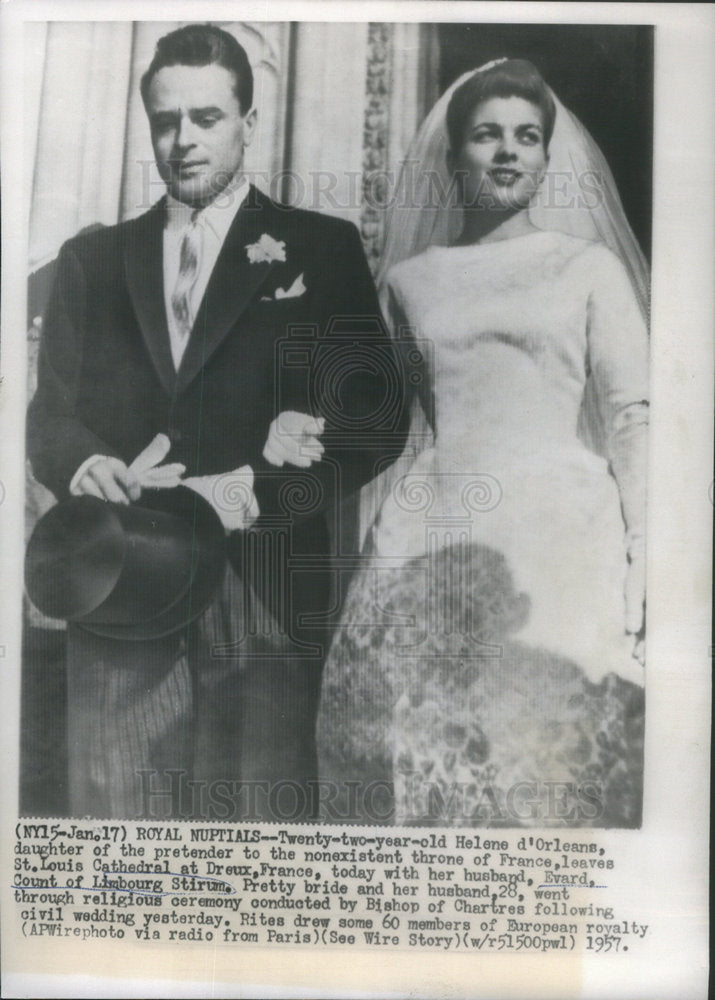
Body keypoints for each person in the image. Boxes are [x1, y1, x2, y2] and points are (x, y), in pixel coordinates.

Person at [26, 24, 409, 821]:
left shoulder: (319, 248)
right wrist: (85, 463)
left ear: (249, 122)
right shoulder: (91, 264)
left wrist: (259, 488)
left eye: (206, 118)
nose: (183, 140)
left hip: (260, 583)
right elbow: (51, 419)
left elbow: (376, 417)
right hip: (121, 573)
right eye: (166, 121)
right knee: (115, 832)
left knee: (255, 839)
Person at [317, 59, 648, 828]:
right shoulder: (411, 280)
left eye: (525, 138)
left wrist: (645, 545)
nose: (507, 152)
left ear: (544, 156)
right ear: (454, 153)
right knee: (407, 740)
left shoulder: (586, 267)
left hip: (557, 535)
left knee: (540, 748)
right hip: (435, 528)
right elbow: (380, 421)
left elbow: (631, 412)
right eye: (487, 135)